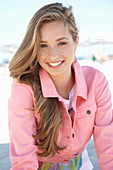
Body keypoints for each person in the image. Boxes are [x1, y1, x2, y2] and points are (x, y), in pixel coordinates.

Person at [8, 2, 113, 170]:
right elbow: (23, 157)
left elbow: (108, 146)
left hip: (80, 164)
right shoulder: (24, 87)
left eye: (61, 43)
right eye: (43, 45)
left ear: (76, 42)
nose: (53, 55)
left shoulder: (96, 82)